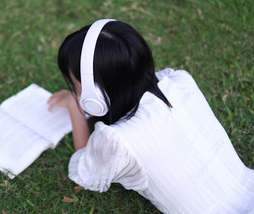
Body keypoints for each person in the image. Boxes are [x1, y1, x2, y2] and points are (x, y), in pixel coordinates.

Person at [47, 19, 254, 214]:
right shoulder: (180, 83)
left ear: (96, 96)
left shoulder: (119, 140)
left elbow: (85, 170)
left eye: (76, 85)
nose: (75, 90)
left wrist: (74, 106)